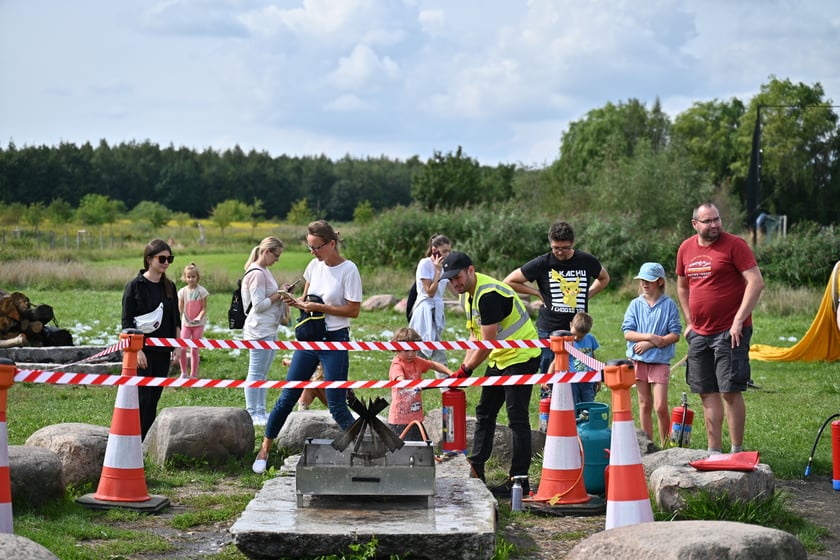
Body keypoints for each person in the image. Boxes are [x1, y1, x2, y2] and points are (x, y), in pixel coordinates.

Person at [253, 220, 362, 474]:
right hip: (310, 339)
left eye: (317, 247)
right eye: (309, 248)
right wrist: (296, 302)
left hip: (335, 339)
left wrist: (320, 308)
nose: (313, 252)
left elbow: (353, 310)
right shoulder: (314, 266)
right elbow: (307, 300)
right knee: (288, 396)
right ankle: (265, 448)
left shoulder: (349, 270)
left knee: (336, 404)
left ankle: (366, 451)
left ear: (332, 244)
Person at [441, 251, 541, 496]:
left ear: (471, 270)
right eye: (451, 280)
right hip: (499, 357)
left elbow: (487, 343)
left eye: (458, 277)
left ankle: (519, 480)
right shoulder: (469, 296)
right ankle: (476, 470)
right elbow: (474, 336)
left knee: (516, 418)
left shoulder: (489, 295)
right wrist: (461, 370)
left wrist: (466, 370)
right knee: (485, 412)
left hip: (521, 356)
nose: (455, 283)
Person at [676, 203, 764, 454]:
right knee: (706, 392)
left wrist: (739, 320)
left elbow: (756, 283)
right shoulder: (685, 248)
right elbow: (682, 287)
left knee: (730, 391)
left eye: (717, 219)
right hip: (700, 333)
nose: (714, 225)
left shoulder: (735, 245)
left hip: (730, 331)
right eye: (707, 221)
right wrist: (690, 321)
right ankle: (713, 452)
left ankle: (736, 451)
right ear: (695, 224)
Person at [504, 221, 609, 377]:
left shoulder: (586, 260)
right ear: (550, 243)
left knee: (579, 371)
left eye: (565, 248)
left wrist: (589, 293)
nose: (560, 252)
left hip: (577, 328)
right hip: (549, 329)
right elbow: (509, 281)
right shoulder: (543, 262)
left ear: (572, 243)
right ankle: (547, 399)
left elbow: (604, 278)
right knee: (549, 374)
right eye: (556, 248)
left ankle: (577, 400)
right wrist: (536, 293)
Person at [121, 239, 180, 440]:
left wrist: (178, 346)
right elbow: (127, 322)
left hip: (163, 351)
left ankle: (145, 441)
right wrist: (137, 351)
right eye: (162, 258)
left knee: (154, 397)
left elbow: (176, 319)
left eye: (169, 258)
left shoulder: (170, 286)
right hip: (142, 352)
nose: (166, 262)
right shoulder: (134, 286)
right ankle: (134, 438)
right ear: (149, 259)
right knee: (142, 398)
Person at [621, 262, 682, 444]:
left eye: (649, 280)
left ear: (660, 282)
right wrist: (649, 338)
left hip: (660, 361)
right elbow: (627, 332)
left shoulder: (669, 305)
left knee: (660, 406)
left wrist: (658, 342)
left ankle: (666, 444)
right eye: (642, 280)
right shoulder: (635, 304)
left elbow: (675, 334)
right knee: (644, 403)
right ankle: (648, 444)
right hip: (638, 361)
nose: (644, 284)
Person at [242, 237, 289, 426]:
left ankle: (260, 410)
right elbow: (259, 305)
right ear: (267, 252)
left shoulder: (265, 271)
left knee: (263, 373)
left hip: (269, 327)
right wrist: (280, 294)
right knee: (255, 372)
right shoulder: (257, 274)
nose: (277, 259)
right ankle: (252, 412)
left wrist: (281, 291)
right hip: (258, 329)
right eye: (276, 255)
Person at [388, 327, 454, 441]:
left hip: (416, 417)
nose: (411, 354)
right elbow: (400, 380)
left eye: (414, 350)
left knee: (423, 447)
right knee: (404, 451)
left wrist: (451, 373)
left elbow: (433, 365)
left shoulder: (417, 361)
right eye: (407, 350)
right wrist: (413, 386)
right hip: (399, 420)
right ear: (397, 349)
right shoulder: (397, 365)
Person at [409, 234, 453, 364]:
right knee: (423, 348)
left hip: (437, 310)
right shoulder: (425, 264)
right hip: (425, 310)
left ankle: (445, 382)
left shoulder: (445, 266)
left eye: (449, 251)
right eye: (444, 251)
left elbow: (455, 290)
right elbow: (430, 292)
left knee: (433, 349)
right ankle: (409, 378)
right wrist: (438, 272)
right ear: (435, 249)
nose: (447, 254)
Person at [177, 262, 209, 379]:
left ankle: (194, 374)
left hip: (198, 324)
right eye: (188, 277)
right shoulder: (182, 292)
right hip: (186, 323)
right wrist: (177, 320)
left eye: (193, 277)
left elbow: (204, 308)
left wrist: (199, 317)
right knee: (183, 348)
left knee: (195, 349)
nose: (191, 279)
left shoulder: (202, 292)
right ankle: (184, 372)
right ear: (185, 278)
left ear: (197, 277)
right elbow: (180, 308)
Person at [567, 312, 600, 404]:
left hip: (588, 380)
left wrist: (598, 377)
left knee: (588, 404)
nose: (576, 338)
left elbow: (593, 358)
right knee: (573, 404)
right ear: (570, 325)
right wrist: (548, 379)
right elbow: (556, 361)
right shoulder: (566, 341)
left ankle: (587, 418)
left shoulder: (590, 339)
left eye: (581, 336)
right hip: (572, 381)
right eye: (574, 334)